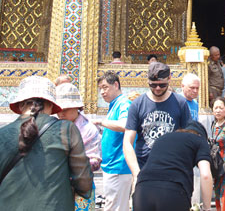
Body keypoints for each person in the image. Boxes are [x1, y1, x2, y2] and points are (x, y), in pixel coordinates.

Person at [0, 76, 92, 210]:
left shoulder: (2, 134)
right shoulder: (66, 129)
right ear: (51, 104)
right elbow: (83, 180)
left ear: (20, 105)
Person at [124, 62, 191, 178]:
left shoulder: (180, 103)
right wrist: (136, 173)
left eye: (162, 85)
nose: (158, 88)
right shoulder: (137, 104)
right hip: (144, 166)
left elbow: (188, 136)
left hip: (172, 167)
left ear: (169, 79)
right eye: (153, 85)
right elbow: (127, 141)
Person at [132, 121, 213, 211]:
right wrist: (207, 208)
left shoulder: (162, 138)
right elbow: (205, 175)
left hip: (142, 189)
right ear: (201, 135)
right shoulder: (200, 140)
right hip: (172, 190)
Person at [56, 83, 101, 211]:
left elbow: (95, 160)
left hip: (81, 186)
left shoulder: (89, 130)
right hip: (58, 186)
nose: (61, 113)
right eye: (58, 109)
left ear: (76, 107)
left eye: (65, 109)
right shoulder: (53, 126)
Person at [94, 71, 133, 211]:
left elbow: (125, 125)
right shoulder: (114, 105)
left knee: (114, 207)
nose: (102, 92)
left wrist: (101, 121)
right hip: (112, 165)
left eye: (105, 87)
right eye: (100, 89)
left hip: (118, 166)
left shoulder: (124, 104)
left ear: (115, 85)